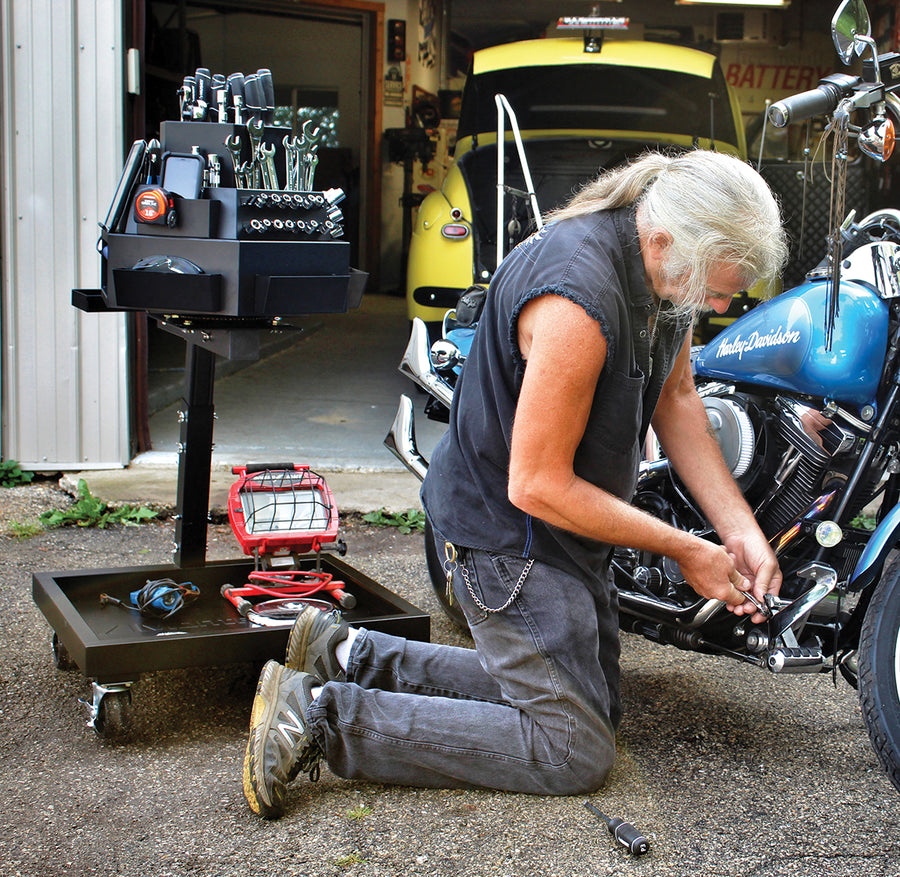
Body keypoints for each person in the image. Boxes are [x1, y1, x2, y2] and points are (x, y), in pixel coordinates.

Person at [242, 149, 789, 819]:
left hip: (567, 532)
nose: (722, 303)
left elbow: (676, 401)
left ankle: (347, 652)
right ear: (666, 239)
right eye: (718, 288)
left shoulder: (667, 275)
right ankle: (321, 717)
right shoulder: (578, 299)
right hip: (508, 538)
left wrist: (740, 532)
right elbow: (535, 485)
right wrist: (684, 547)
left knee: (595, 711)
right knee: (572, 749)